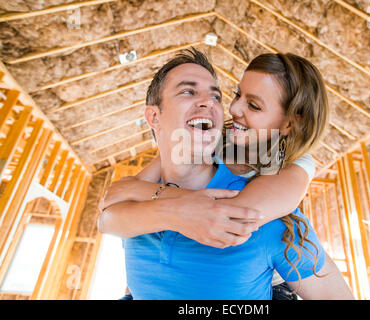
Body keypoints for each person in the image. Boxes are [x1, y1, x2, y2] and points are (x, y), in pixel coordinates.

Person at [98, 48, 354, 300]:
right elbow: (106, 221)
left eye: (216, 97)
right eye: (188, 91)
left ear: (289, 123)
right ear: (154, 117)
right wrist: (153, 198)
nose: (230, 108)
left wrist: (159, 200)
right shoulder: (224, 144)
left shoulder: (273, 202)